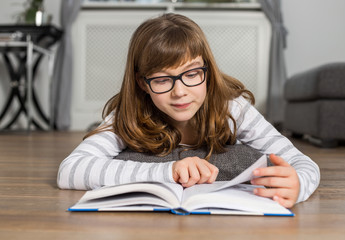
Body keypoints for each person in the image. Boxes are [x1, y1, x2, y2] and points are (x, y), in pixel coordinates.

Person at [57, 13, 320, 208]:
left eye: (192, 73)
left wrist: (299, 186)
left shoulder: (233, 108)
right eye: (162, 79)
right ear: (142, 83)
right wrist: (167, 171)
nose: (179, 92)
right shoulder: (128, 114)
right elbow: (70, 170)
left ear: (207, 70)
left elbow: (304, 164)